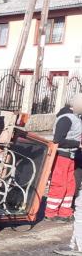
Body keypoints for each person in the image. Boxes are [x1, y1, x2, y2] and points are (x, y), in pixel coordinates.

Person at [44, 93, 82, 221]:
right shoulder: (66, 118)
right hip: (62, 156)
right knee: (59, 184)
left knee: (70, 185)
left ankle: (64, 212)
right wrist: (78, 144)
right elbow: (58, 140)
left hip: (72, 156)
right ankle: (50, 212)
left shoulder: (76, 118)